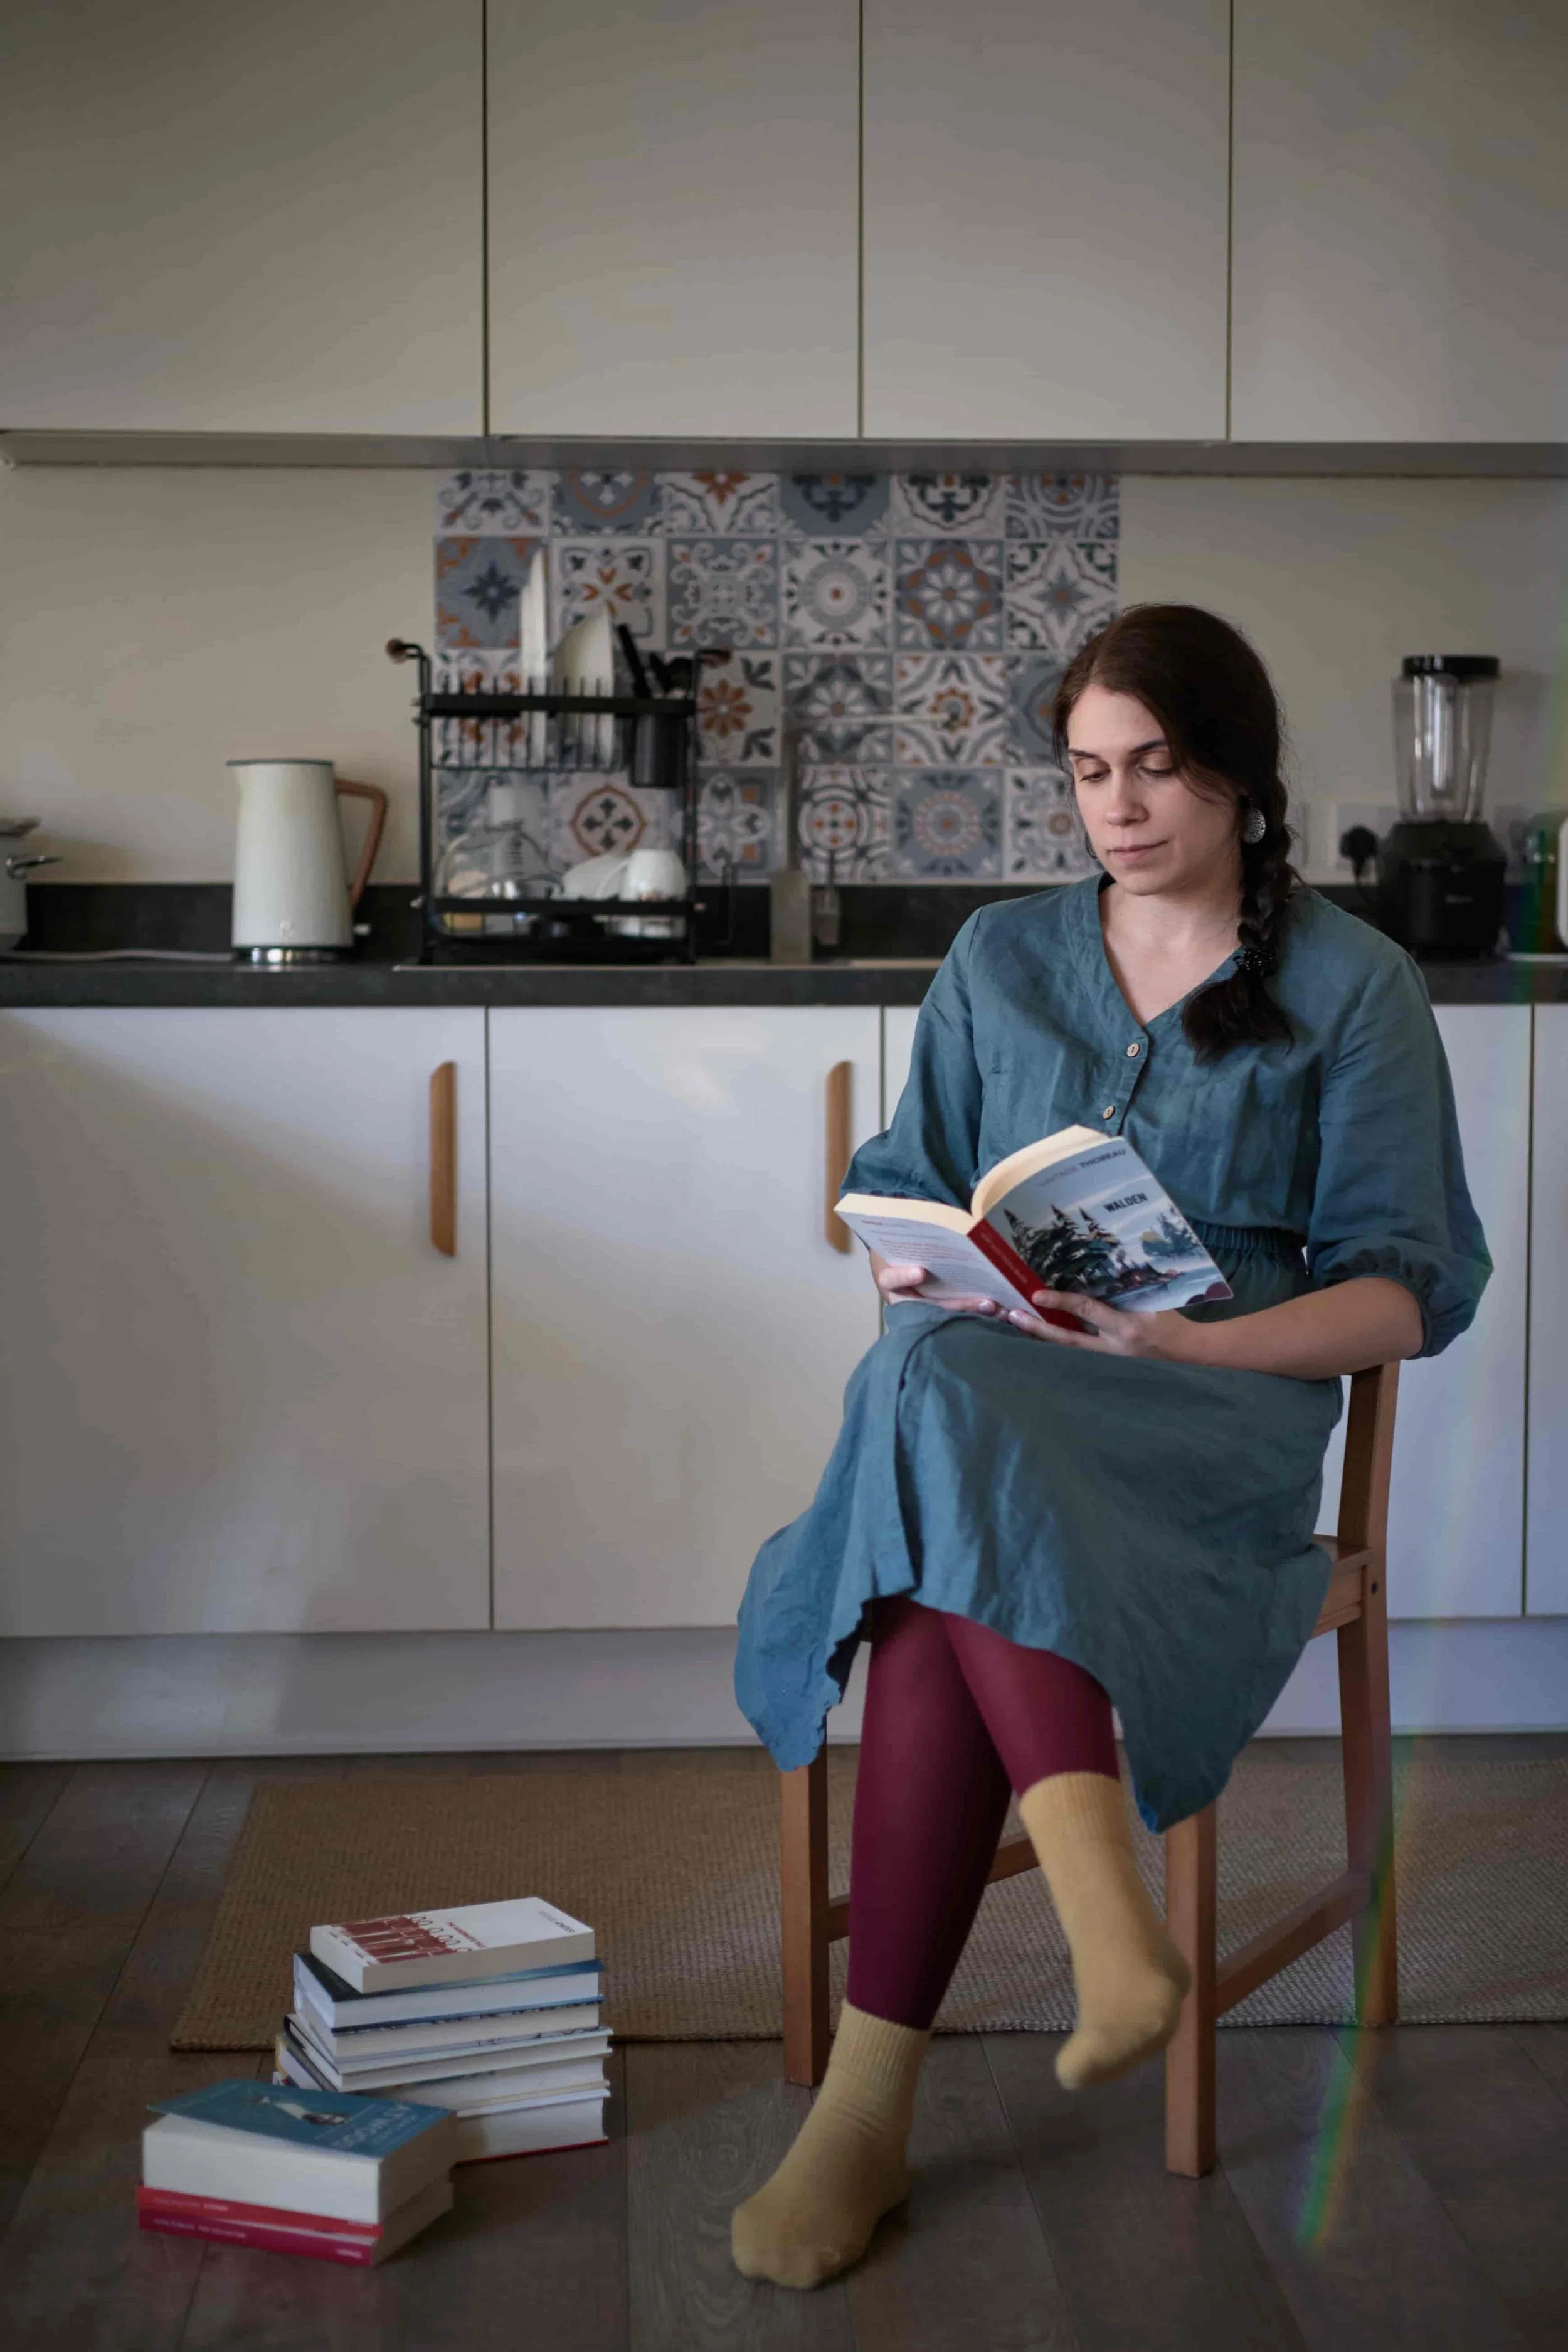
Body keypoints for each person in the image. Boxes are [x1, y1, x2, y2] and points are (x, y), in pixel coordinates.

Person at [729, 603, 1491, 2291]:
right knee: (939, 1391)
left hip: (1216, 1415)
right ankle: (1101, 1929)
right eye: (1087, 771)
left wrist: (1185, 1338)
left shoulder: (1352, 984)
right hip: (1005, 1398)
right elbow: (903, 1183)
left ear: (1238, 772)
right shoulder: (999, 957)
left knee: (932, 1482)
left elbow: (1403, 1288)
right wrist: (924, 1255)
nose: (1119, 806)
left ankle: (871, 2101)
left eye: (1155, 766)